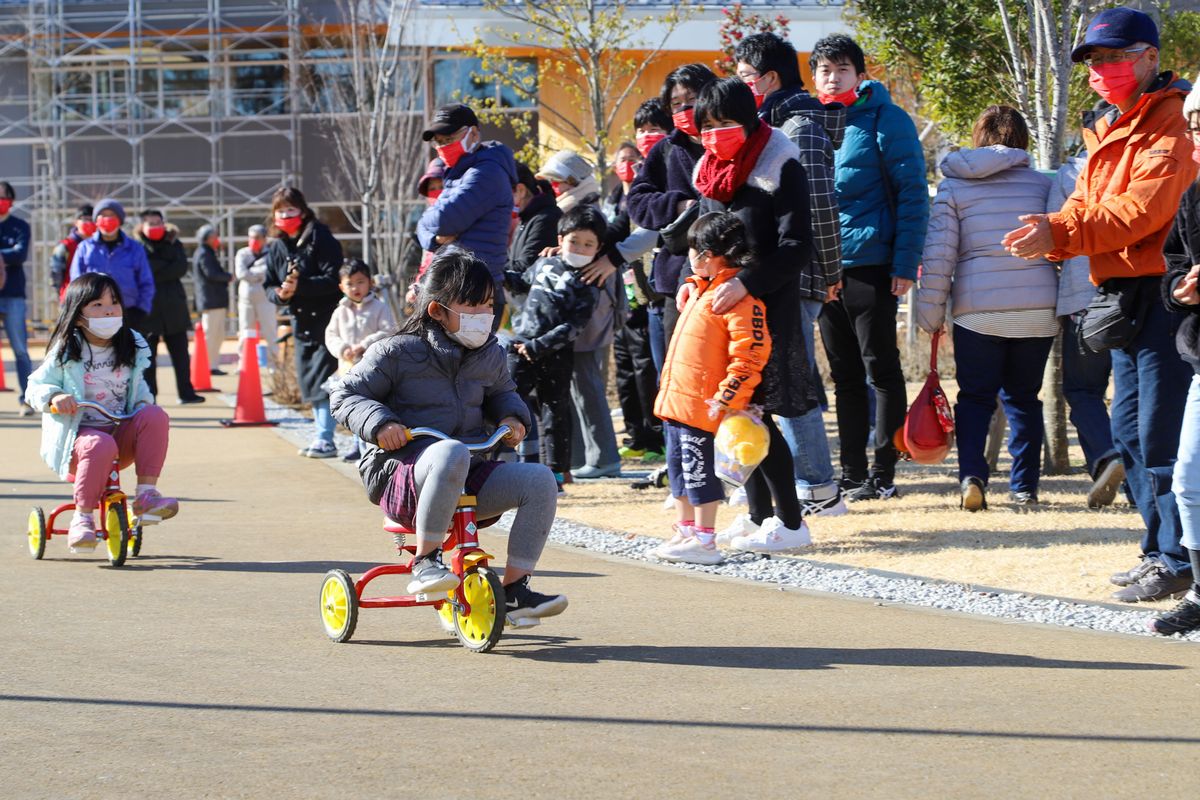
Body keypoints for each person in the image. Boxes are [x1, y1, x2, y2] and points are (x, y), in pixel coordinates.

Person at [1002, 6, 1197, 602]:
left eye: (1114, 56)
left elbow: (1142, 213)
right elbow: (1091, 206)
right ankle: (1155, 547)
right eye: (1093, 60)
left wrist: (1058, 234)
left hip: (1166, 292)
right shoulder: (1108, 125)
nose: (1101, 69)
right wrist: (1056, 225)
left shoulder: (1173, 123)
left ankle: (1177, 558)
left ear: (1150, 58)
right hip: (1119, 290)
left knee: (1159, 434)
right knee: (1128, 431)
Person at [330, 248, 567, 623]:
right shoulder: (396, 352)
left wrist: (512, 416)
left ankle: (516, 590)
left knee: (540, 480)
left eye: (488, 305)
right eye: (472, 307)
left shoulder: (488, 354)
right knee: (449, 451)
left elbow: (503, 392)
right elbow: (345, 395)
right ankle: (425, 561)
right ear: (437, 311)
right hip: (402, 476)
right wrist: (381, 424)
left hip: (466, 471)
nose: (483, 316)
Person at [686, 76, 817, 552]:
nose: (716, 133)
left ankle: (792, 523)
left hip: (767, 308)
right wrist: (693, 282)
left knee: (757, 414)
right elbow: (706, 239)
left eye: (726, 123)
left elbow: (798, 245)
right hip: (721, 310)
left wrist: (747, 282)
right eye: (708, 125)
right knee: (735, 411)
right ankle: (759, 516)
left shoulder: (781, 163)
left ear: (750, 119)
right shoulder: (709, 171)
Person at [916, 106, 1059, 510]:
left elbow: (940, 256)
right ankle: (1025, 487)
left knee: (976, 398)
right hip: (1038, 306)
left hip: (978, 311)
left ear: (978, 138)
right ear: (1024, 140)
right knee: (1025, 399)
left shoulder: (954, 187)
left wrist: (930, 314)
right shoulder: (1043, 185)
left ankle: (972, 477)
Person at [810, 34, 928, 502]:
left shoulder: (887, 120)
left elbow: (913, 195)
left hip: (873, 264)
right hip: (824, 269)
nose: (833, 77)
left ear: (860, 75)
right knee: (843, 375)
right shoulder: (809, 123)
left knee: (880, 367)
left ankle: (883, 469)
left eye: (842, 69)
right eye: (824, 70)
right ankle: (852, 471)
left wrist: (905, 262)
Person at [735, 31, 847, 516]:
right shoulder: (771, 123)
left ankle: (819, 486)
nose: (741, 88)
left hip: (798, 273)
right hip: (777, 274)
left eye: (745, 79)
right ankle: (790, 482)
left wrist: (828, 271)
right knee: (779, 379)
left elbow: (820, 207)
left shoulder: (798, 125)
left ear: (770, 77)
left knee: (793, 381)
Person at [24, 273, 178, 551]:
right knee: (98, 443)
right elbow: (35, 386)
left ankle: (146, 497)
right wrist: (55, 397)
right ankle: (82, 517)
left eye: (114, 302)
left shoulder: (130, 343)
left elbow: (140, 387)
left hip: (121, 433)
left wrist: (143, 405)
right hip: (78, 441)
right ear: (78, 313)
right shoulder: (67, 348)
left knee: (155, 414)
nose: (108, 309)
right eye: (97, 304)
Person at [653, 212, 771, 565]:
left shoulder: (737, 299)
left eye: (693, 249)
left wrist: (728, 397)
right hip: (678, 402)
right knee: (679, 469)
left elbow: (750, 354)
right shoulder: (703, 291)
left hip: (705, 406)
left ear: (707, 254)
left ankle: (705, 539)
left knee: (699, 471)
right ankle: (686, 529)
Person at [503, 206, 604, 490]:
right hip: (520, 344)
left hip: (555, 353)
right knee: (509, 401)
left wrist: (539, 346)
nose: (580, 248)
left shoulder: (590, 282)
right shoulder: (545, 262)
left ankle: (557, 474)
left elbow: (574, 326)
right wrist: (501, 273)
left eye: (588, 244)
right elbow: (522, 284)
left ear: (599, 248)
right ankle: (502, 462)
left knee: (554, 412)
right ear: (560, 239)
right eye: (574, 241)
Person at [628, 63, 718, 373]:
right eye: (676, 104)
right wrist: (679, 205)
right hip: (677, 277)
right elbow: (637, 202)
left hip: (731, 278)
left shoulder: (732, 138)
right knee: (680, 374)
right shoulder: (666, 150)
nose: (684, 109)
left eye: (691, 100)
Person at [1050, 155, 1124, 508]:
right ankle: (1140, 483)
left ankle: (1108, 456)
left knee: (1082, 390)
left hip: (1083, 298)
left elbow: (1054, 236)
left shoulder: (1069, 173)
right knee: (1137, 393)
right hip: (1136, 296)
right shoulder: (1148, 162)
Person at [1153, 106, 1200, 632]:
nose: (1197, 138)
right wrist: (1180, 290)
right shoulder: (1193, 196)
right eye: (1195, 126)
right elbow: (1174, 265)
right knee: (1188, 479)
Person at [416, 104, 517, 325]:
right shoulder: (457, 174)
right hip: (454, 285)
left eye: (449, 138)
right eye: (439, 141)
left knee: (470, 359)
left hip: (476, 291)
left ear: (473, 133)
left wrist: (429, 224)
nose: (443, 146)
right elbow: (424, 227)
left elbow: (443, 220)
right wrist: (433, 240)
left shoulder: (487, 172)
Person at [263, 186, 344, 459]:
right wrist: (280, 294)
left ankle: (325, 437)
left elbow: (334, 279)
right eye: (280, 210)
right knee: (310, 380)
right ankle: (323, 435)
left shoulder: (320, 237)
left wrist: (301, 286)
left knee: (324, 379)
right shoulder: (276, 246)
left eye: (291, 209)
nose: (285, 215)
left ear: (303, 210)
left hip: (327, 320)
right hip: (300, 322)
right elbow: (269, 284)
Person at [607, 138, 665, 462]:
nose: (627, 164)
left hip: (645, 292)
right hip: (618, 296)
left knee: (646, 368)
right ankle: (635, 434)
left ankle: (656, 436)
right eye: (622, 159)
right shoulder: (613, 199)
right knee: (625, 370)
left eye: (633, 158)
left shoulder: (645, 197)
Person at [325, 258, 398, 462]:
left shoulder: (379, 307)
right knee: (352, 407)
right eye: (350, 283)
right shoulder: (340, 312)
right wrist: (342, 348)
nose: (355, 287)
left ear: (370, 283)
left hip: (374, 370)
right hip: (347, 369)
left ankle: (371, 444)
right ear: (341, 286)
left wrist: (365, 344)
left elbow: (388, 330)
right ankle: (357, 445)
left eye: (360, 282)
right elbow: (330, 335)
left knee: (371, 406)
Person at [136, 210, 203, 404]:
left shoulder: (174, 242)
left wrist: (158, 267)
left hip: (174, 307)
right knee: (148, 358)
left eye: (158, 222)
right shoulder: (136, 247)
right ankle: (150, 397)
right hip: (148, 310)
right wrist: (166, 265)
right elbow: (143, 270)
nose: (155, 226)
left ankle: (186, 393)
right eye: (150, 223)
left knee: (181, 355)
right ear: (142, 226)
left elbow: (180, 268)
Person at [71, 199, 155, 333]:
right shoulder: (84, 248)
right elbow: (76, 282)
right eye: (103, 215)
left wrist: (142, 309)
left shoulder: (135, 248)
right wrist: (81, 309)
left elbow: (146, 282)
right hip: (94, 315)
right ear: (96, 220)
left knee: (128, 352)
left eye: (112, 215)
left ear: (120, 220)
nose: (107, 219)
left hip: (130, 313)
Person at [0, 181, 33, 413]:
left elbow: (20, 254)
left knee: (20, 349)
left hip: (13, 294)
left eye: (4, 196)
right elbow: (11, 254)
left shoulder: (20, 225)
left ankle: (27, 399)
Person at [192, 225, 233, 375]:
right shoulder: (204, 253)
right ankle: (208, 365)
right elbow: (211, 274)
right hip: (211, 300)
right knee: (211, 335)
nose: (217, 240)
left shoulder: (206, 252)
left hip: (214, 300)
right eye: (215, 236)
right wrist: (228, 277)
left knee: (217, 334)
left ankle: (212, 365)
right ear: (208, 238)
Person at [234, 224, 277, 366]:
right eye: (251, 237)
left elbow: (270, 271)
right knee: (245, 331)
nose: (253, 240)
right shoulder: (242, 253)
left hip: (266, 299)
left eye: (257, 238)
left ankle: (273, 365)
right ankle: (244, 363)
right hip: (246, 300)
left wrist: (253, 273)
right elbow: (241, 273)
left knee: (270, 332)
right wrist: (258, 274)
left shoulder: (271, 253)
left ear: (264, 239)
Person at [50, 205, 95, 303]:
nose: (88, 222)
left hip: (96, 297)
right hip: (71, 298)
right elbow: (56, 273)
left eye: (92, 220)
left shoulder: (101, 246)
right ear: (76, 222)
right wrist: (61, 294)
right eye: (84, 219)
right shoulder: (65, 246)